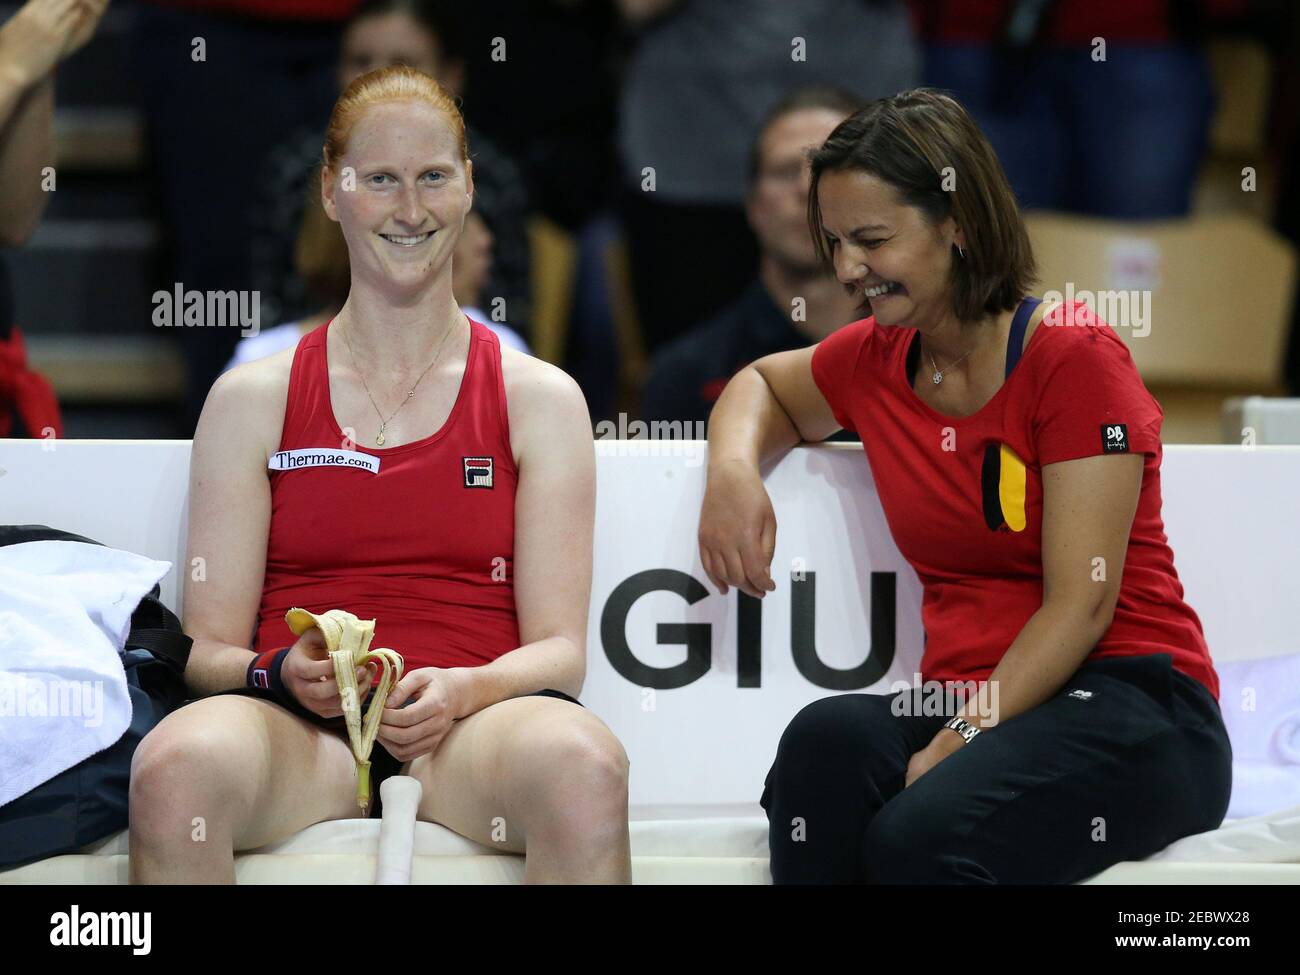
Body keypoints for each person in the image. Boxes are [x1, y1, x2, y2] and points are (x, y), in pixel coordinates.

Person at [698, 89, 1232, 884]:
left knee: (922, 834)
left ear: (960, 225)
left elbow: (1079, 604)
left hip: (1134, 701)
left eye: (871, 239)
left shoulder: (1072, 357)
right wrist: (733, 471)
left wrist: (960, 740)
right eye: (835, 241)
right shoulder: (877, 357)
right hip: (967, 695)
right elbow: (763, 387)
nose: (846, 270)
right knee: (825, 745)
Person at [128, 66, 629, 884]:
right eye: (380, 180)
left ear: (469, 188)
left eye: (433, 177)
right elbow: (204, 648)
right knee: (172, 768)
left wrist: (467, 689)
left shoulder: (538, 397)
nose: (409, 209)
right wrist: (279, 672)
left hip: (471, 730)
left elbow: (562, 651)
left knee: (587, 767)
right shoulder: (254, 396)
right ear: (331, 193)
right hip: (300, 731)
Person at [249, 0, 531, 338]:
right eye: (360, 61)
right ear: (328, 190)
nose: (378, 76)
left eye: (403, 63)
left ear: (451, 75)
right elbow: (270, 308)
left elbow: (512, 310)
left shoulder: (495, 174)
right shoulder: (293, 168)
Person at [641, 87, 863, 429]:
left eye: (829, 168)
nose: (806, 189)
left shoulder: (928, 356)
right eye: (786, 171)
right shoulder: (686, 374)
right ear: (753, 206)